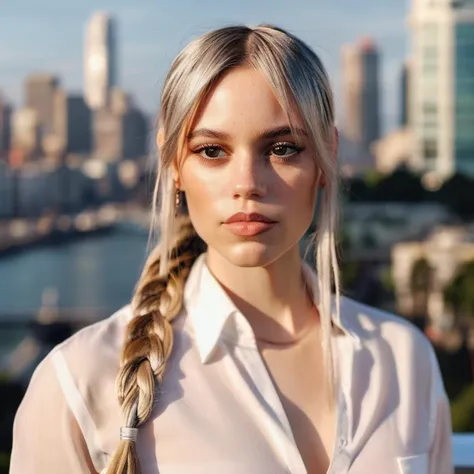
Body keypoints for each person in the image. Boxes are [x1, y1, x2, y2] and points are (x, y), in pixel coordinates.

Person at [10, 25, 452, 474]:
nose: (247, 184)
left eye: (282, 148)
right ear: (173, 164)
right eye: (212, 151)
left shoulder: (404, 360)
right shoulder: (78, 382)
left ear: (326, 156)